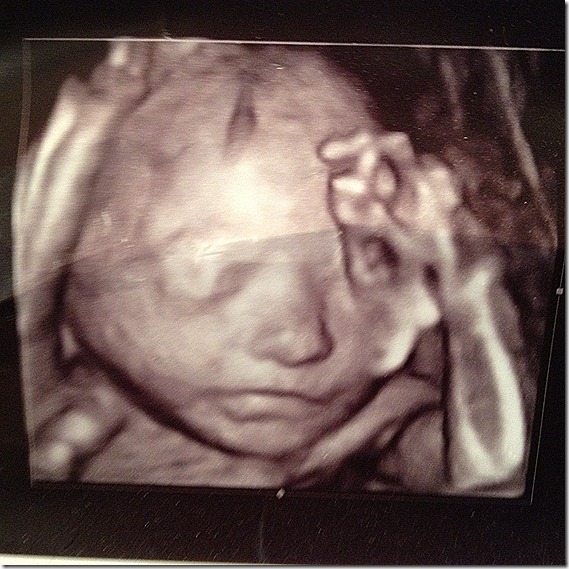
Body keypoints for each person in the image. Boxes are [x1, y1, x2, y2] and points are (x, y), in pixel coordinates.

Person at [14, 40, 540, 494]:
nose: (302, 342)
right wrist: (33, 309)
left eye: (366, 264)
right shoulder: (76, 409)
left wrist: (471, 288)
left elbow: (491, 474)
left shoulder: (370, 421)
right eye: (217, 270)